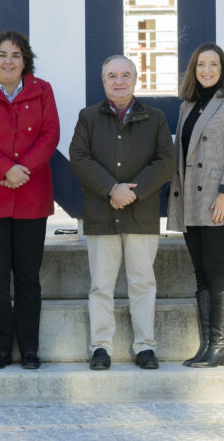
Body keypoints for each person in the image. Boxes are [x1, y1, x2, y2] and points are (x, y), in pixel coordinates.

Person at [69, 55, 175, 371]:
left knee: (142, 282)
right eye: (112, 75)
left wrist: (132, 192)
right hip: (102, 213)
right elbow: (79, 158)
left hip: (141, 214)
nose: (119, 81)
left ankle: (145, 347)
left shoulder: (154, 117)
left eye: (125, 74)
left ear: (135, 79)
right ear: (103, 81)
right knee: (101, 285)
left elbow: (164, 162)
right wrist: (111, 189)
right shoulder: (88, 117)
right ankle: (101, 347)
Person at [0, 31, 60, 371]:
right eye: (2, 54)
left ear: (25, 61)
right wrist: (7, 169)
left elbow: (50, 135)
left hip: (30, 196)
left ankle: (30, 349)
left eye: (16, 55)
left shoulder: (42, 90)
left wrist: (22, 170)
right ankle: (1, 349)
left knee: (28, 277)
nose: (8, 60)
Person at [167, 43, 224, 367]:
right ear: (194, 69)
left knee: (215, 269)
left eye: (213, 64)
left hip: (218, 198)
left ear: (222, 68)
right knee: (200, 271)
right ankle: (207, 346)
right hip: (191, 199)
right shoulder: (188, 106)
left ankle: (221, 345)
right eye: (201, 64)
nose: (206, 70)